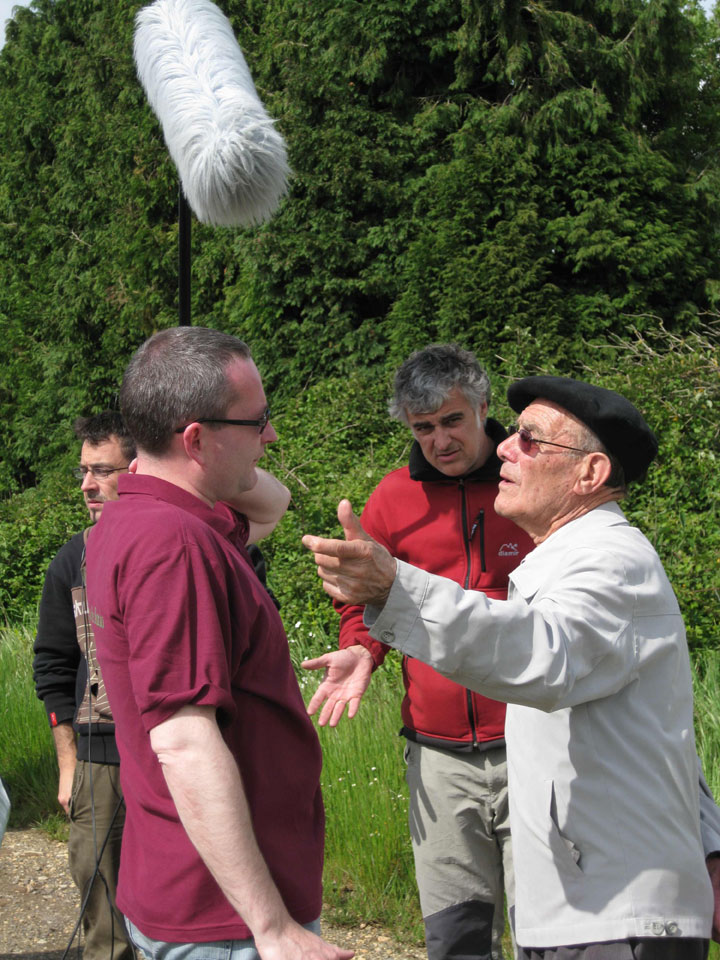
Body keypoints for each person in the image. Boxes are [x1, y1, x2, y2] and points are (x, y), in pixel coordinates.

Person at [303, 375, 720, 960]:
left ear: (590, 474)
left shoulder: (609, 561)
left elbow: (542, 655)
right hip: (586, 905)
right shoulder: (569, 556)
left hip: (614, 912)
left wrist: (398, 588)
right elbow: (658, 735)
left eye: (530, 439)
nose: (504, 447)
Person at [85, 326, 354, 960]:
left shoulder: (137, 517)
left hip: (200, 899)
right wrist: (271, 927)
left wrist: (188, 450)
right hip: (224, 921)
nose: (272, 436)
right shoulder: (173, 544)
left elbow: (273, 503)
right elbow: (183, 740)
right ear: (196, 438)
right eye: (258, 421)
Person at [302, 344, 533, 960]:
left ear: (484, 408)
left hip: (538, 740)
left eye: (452, 421)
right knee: (456, 935)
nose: (440, 440)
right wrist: (360, 649)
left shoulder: (533, 481)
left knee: (547, 930)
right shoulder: (393, 498)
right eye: (422, 428)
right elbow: (362, 599)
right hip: (437, 753)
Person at [33, 410, 136, 960]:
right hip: (99, 760)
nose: (87, 485)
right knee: (100, 899)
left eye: (102, 470)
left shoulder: (191, 539)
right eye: (83, 471)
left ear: (139, 469)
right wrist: (68, 763)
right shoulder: (71, 559)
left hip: (176, 752)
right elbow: (51, 666)